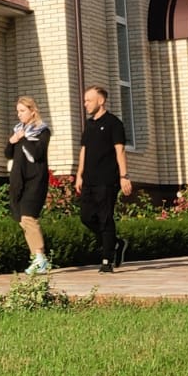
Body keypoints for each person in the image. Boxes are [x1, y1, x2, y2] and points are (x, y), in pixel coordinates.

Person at [74, 84, 130, 273]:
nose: (85, 104)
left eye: (88, 100)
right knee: (86, 217)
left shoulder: (114, 123)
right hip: (89, 179)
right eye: (84, 100)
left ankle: (107, 260)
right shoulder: (89, 125)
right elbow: (84, 150)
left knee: (105, 218)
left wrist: (124, 176)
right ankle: (116, 243)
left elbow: (120, 150)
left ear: (101, 100)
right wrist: (79, 175)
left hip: (108, 179)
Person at [6, 96, 52, 274]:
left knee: (29, 218)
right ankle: (37, 259)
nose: (19, 115)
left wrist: (23, 139)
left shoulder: (42, 131)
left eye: (22, 111)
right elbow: (8, 153)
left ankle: (40, 258)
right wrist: (13, 140)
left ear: (33, 111)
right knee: (23, 221)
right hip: (19, 181)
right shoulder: (18, 131)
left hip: (35, 181)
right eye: (18, 111)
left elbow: (37, 154)